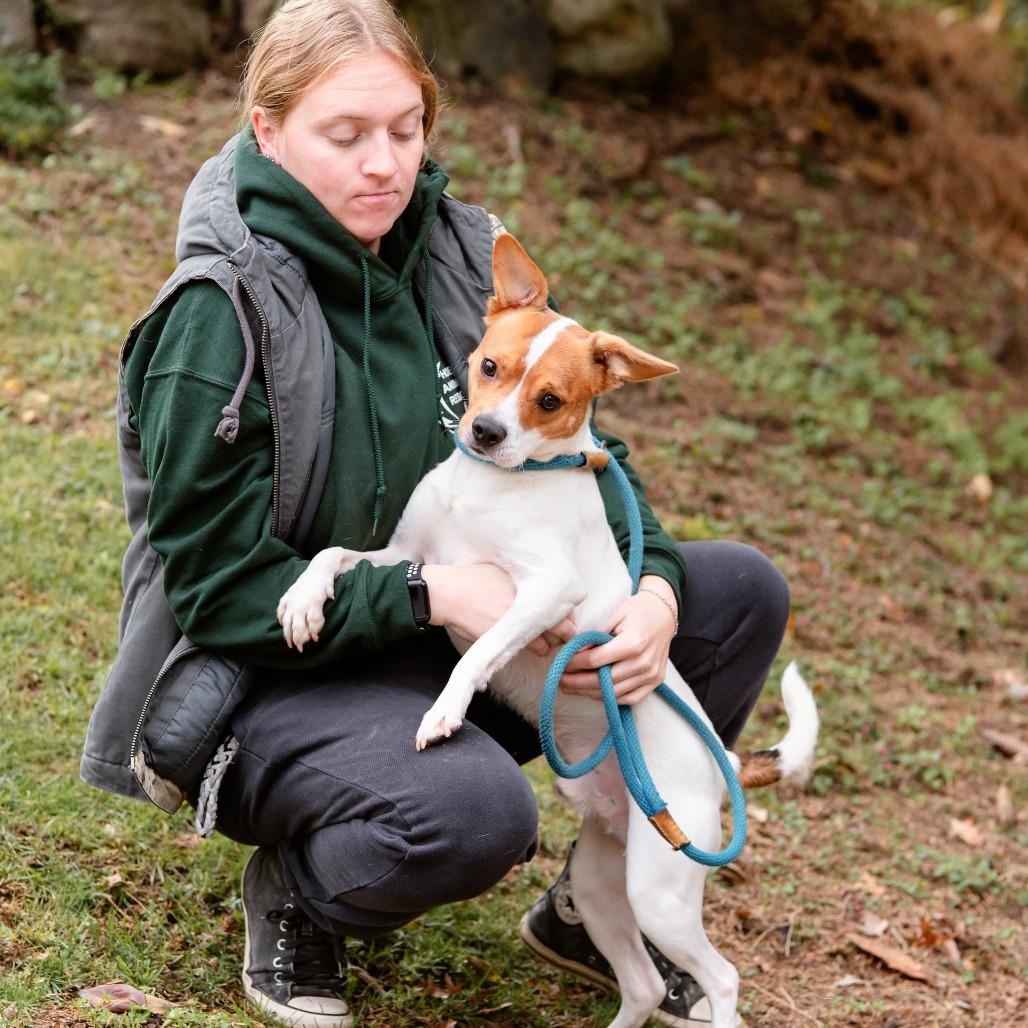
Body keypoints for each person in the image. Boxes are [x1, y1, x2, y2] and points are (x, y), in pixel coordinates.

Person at [80, 1, 791, 1025]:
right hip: (273, 668)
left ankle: (599, 907)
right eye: (345, 134)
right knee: (470, 815)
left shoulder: (467, 254)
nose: (383, 164)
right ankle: (303, 894)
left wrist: (651, 593)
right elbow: (217, 587)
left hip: (468, 635)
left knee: (732, 593)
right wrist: (431, 592)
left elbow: (586, 450)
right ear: (268, 129)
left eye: (404, 131)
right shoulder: (213, 314)